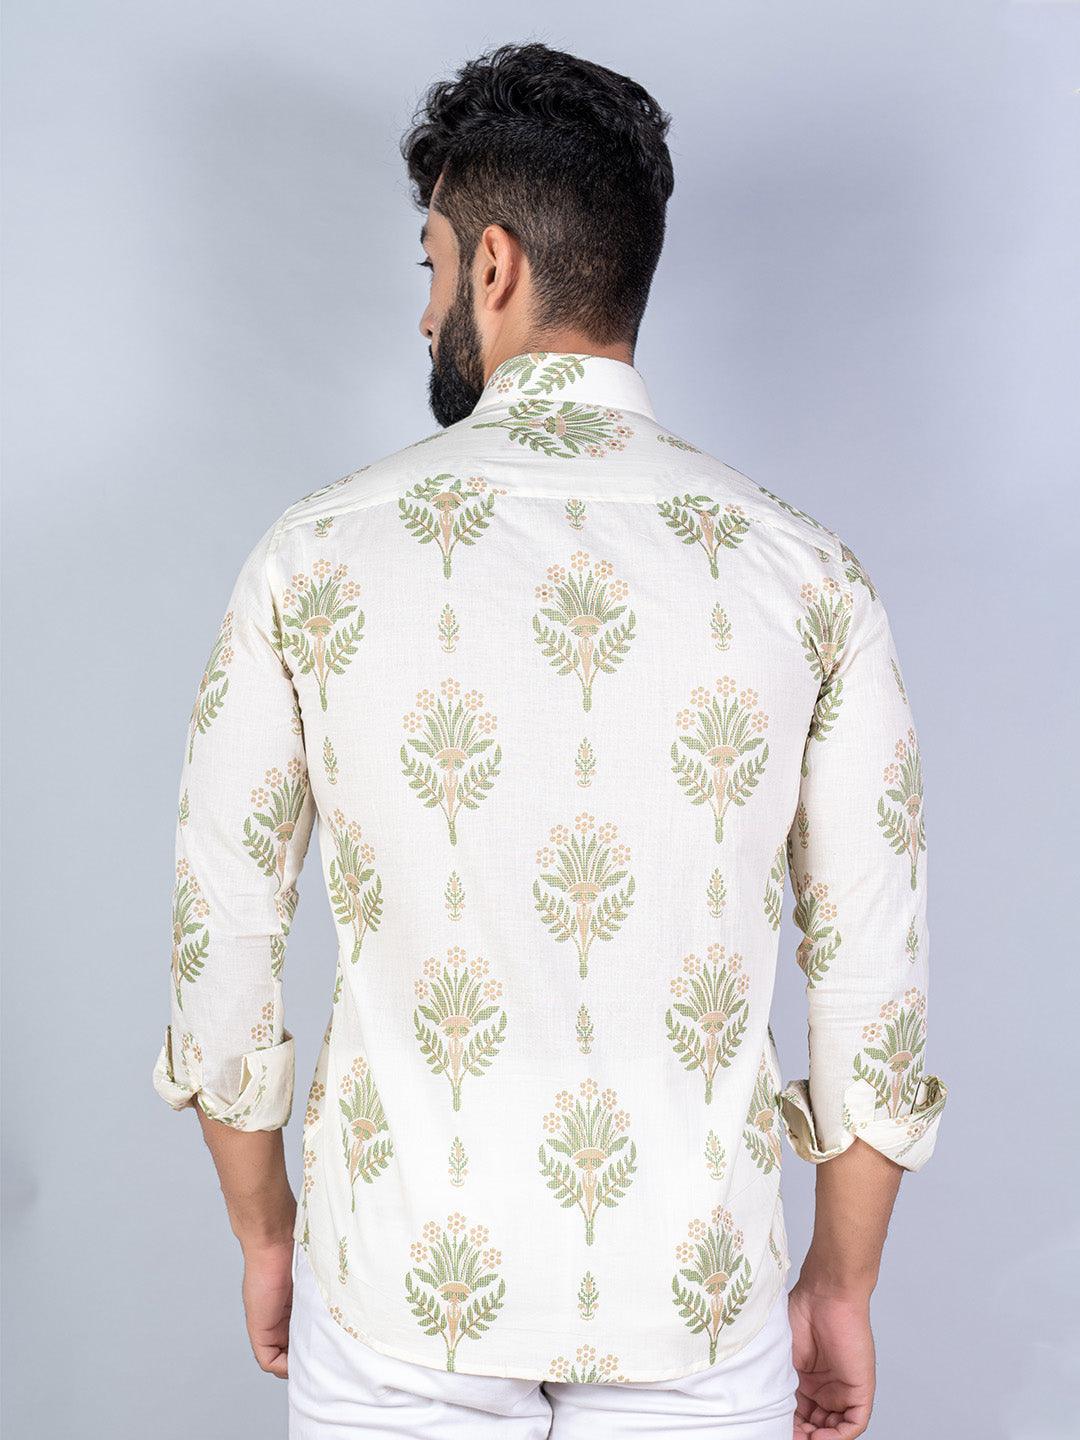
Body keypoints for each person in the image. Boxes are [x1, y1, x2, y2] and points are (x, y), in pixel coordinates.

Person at [152, 41, 948, 1440]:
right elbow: (873, 987)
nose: (424, 316)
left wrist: (267, 1233)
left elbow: (223, 942)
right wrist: (840, 1285)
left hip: (397, 1294)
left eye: (430, 268)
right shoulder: (810, 580)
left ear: (494, 264)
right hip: (695, 1308)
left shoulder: (311, 558)